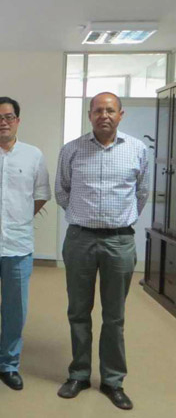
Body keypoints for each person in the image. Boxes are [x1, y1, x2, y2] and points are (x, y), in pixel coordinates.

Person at [55, 92, 149, 410]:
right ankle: (79, 374)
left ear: (121, 114)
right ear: (89, 115)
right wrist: (84, 216)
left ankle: (113, 380)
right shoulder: (72, 149)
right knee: (78, 311)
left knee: (114, 315)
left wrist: (118, 220)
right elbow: (62, 190)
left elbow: (141, 192)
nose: (104, 115)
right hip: (80, 239)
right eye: (98, 110)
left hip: (119, 241)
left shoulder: (137, 149)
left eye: (110, 110)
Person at [0, 97, 50, 391]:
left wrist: (18, 219)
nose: (3, 122)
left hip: (19, 246)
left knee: (16, 310)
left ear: (18, 121)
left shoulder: (33, 155)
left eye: (9, 117)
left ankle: (9, 364)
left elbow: (41, 195)